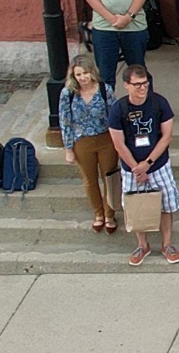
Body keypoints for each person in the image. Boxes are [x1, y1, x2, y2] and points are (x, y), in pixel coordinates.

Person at [107, 63, 179, 265]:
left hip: (158, 164)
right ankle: (142, 245)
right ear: (126, 85)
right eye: (137, 84)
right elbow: (118, 143)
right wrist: (136, 168)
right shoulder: (118, 108)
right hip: (131, 168)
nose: (142, 88)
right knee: (135, 206)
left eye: (145, 83)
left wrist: (147, 163)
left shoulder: (160, 103)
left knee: (166, 205)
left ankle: (167, 243)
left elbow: (166, 137)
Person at [58, 52, 118, 233]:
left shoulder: (104, 89)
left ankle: (110, 214)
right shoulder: (67, 93)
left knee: (109, 178)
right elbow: (65, 121)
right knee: (89, 180)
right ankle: (98, 213)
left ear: (92, 72)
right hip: (82, 141)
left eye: (85, 73)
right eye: (78, 74)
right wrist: (68, 148)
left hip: (105, 139)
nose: (82, 78)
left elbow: (114, 115)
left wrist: (119, 141)